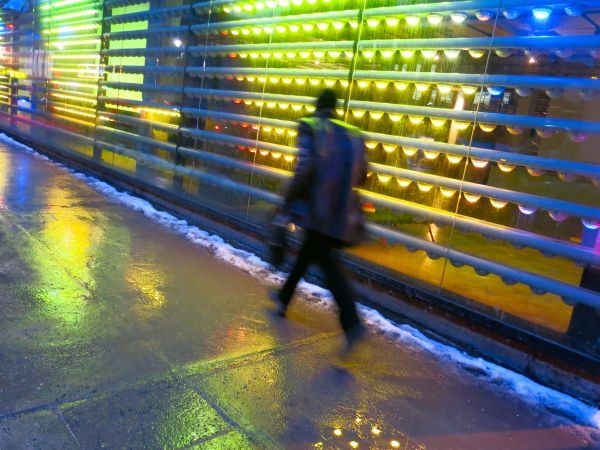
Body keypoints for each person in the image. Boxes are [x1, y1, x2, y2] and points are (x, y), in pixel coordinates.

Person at [269, 89, 368, 348]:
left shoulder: (311, 127)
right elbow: (364, 174)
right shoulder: (354, 134)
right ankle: (283, 298)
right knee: (307, 255)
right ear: (336, 107)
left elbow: (305, 168)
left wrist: (287, 201)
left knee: (328, 265)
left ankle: (352, 322)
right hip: (340, 214)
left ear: (317, 105)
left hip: (317, 210)